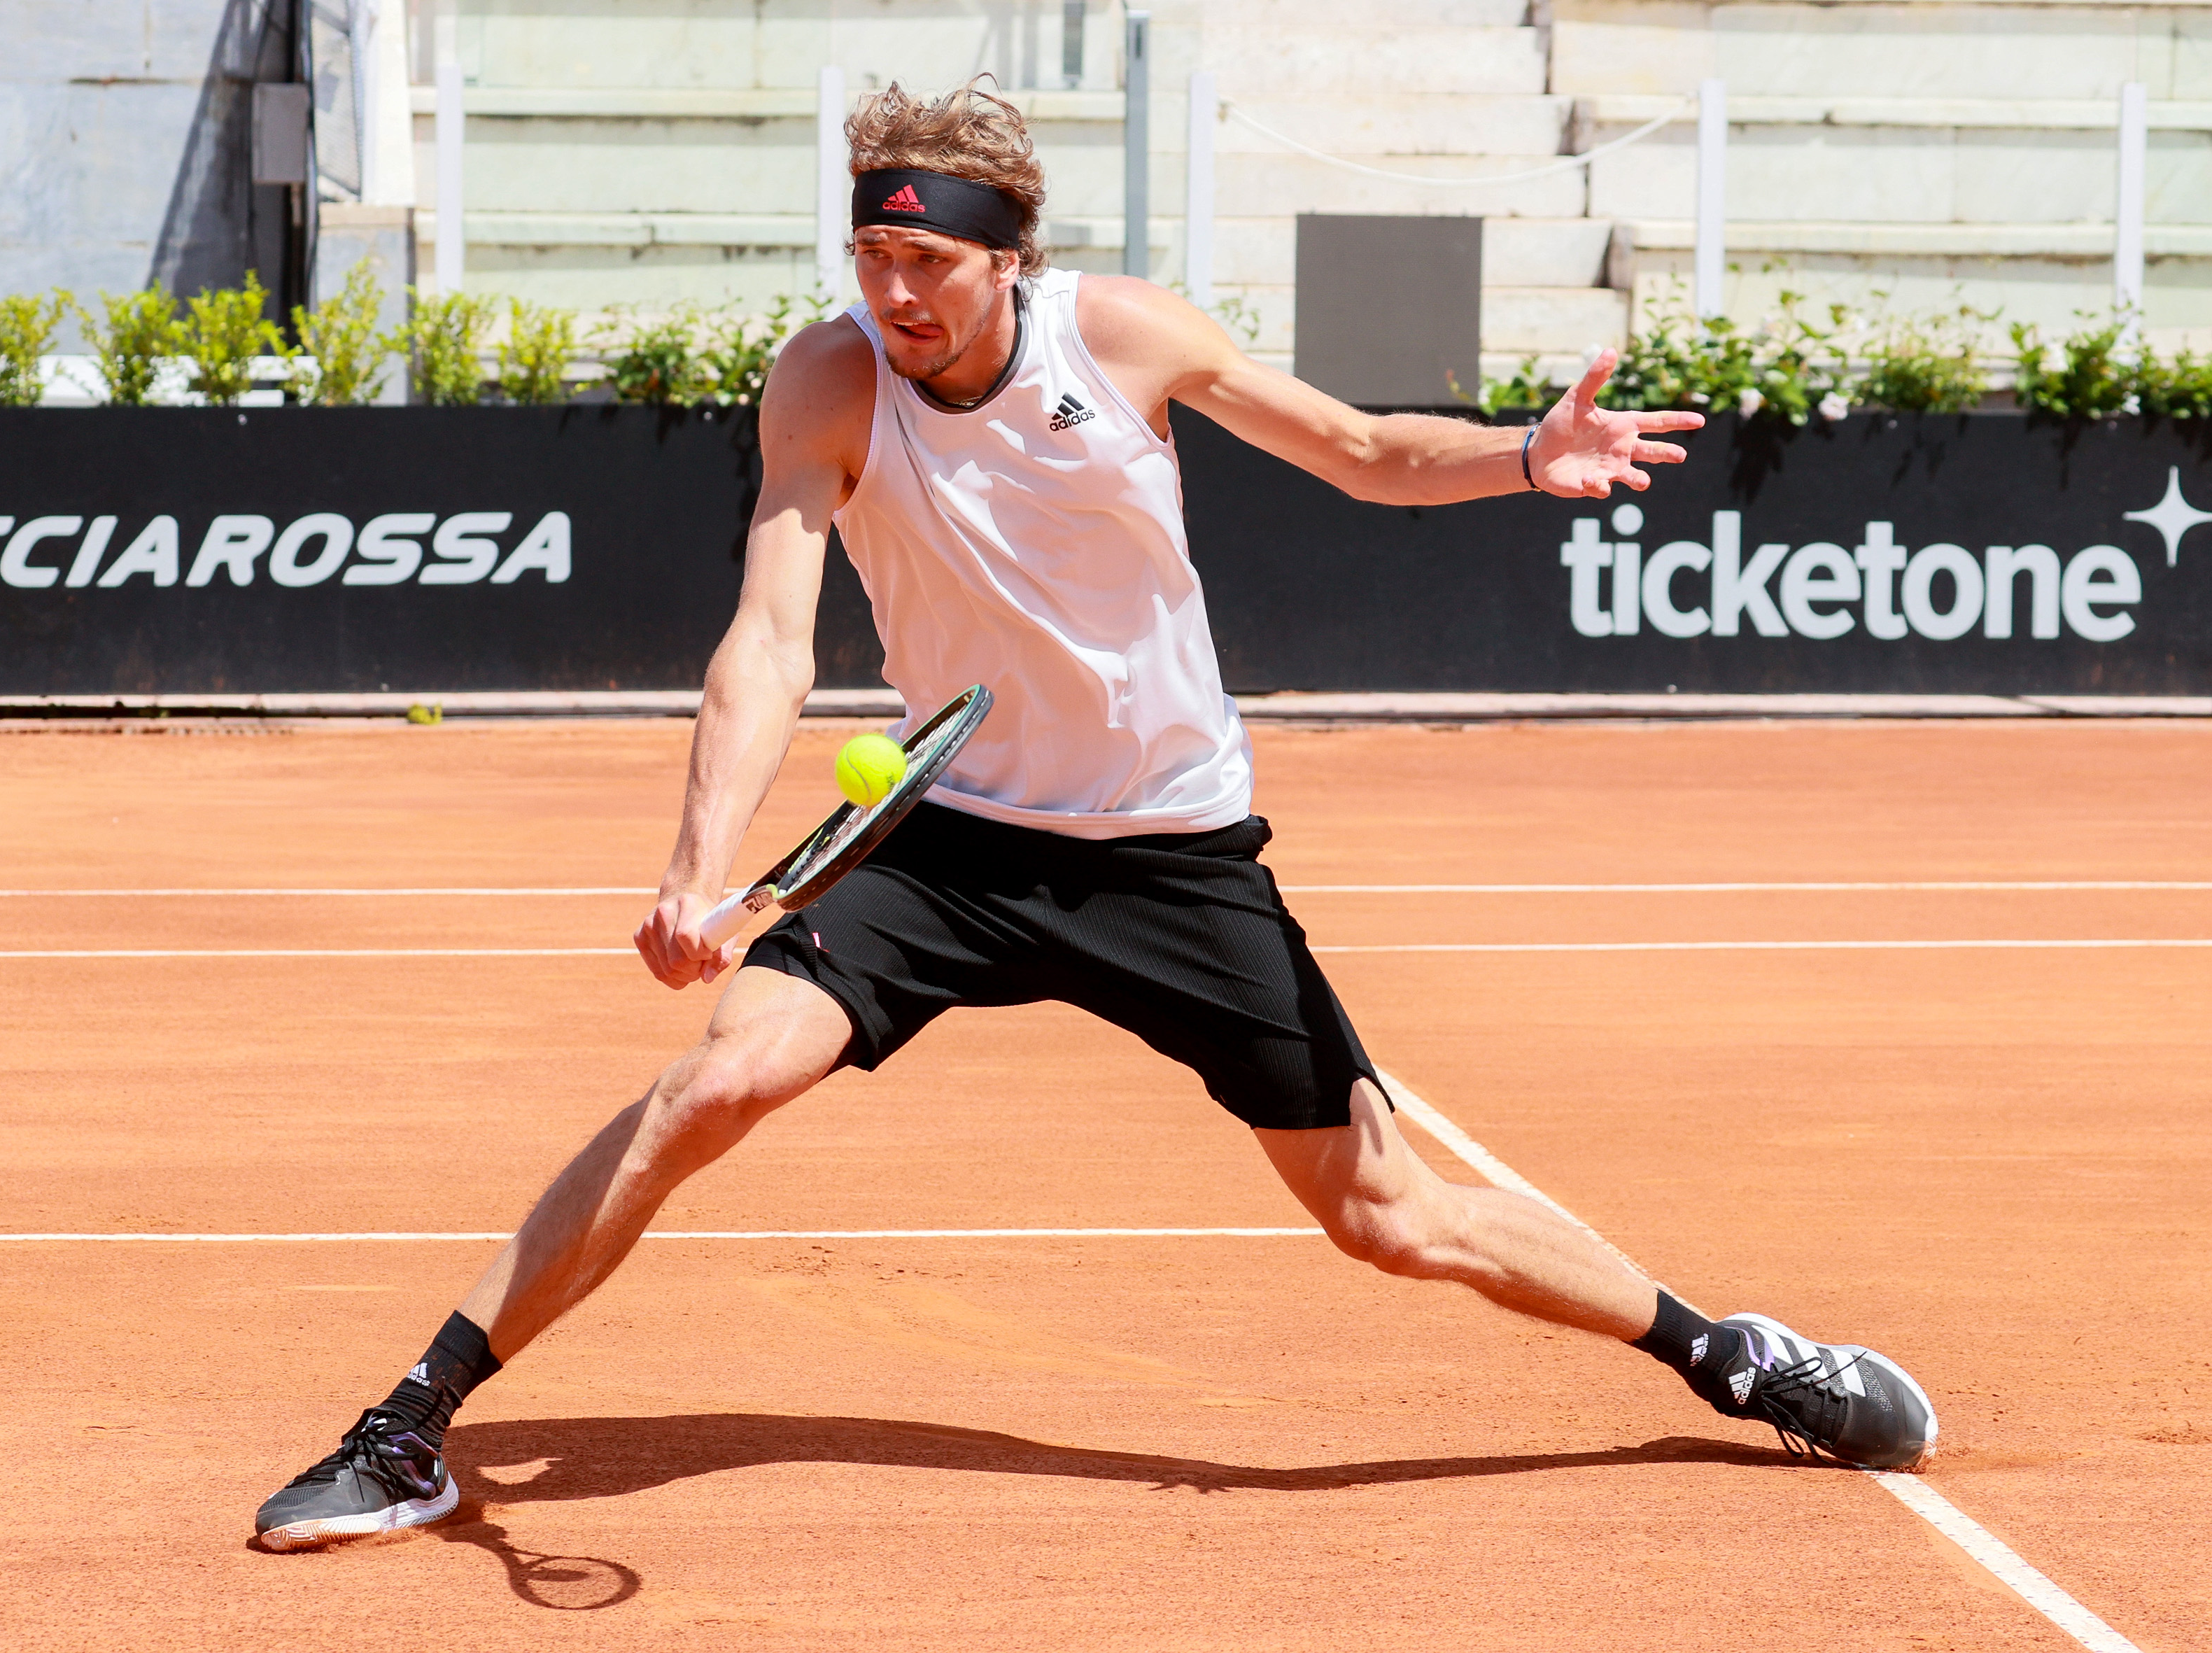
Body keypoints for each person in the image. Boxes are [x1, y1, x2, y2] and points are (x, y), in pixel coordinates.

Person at [253, 83, 1935, 1551]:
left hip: (1170, 855)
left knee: (1387, 1212)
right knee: (711, 1084)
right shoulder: (826, 382)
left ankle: (1725, 1353)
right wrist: (695, 869)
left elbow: (1360, 449)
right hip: (953, 835)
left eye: (927, 260)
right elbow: (769, 635)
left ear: (1008, 259)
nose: (892, 292)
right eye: (870, 255)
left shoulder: (1121, 340)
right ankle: (409, 1424)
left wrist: (1518, 455)